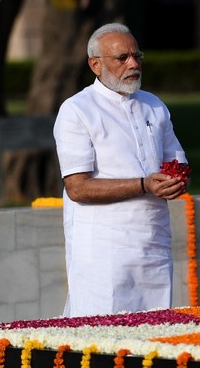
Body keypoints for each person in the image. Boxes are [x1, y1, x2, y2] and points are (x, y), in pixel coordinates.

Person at [53, 23, 189, 317]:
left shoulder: (153, 105)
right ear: (95, 65)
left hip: (153, 240)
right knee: (101, 337)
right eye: (122, 58)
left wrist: (175, 181)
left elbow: (176, 161)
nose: (133, 64)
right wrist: (144, 185)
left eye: (137, 56)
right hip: (103, 248)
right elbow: (77, 188)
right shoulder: (77, 110)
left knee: (155, 332)